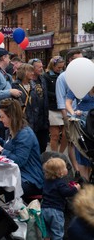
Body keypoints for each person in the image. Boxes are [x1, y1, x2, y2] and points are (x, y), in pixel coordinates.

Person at [0, 98, 44, 200]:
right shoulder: (13, 130)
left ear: (11, 117)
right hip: (18, 174)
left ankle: (12, 211)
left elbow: (19, 160)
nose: (0, 119)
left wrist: (1, 150)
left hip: (30, 179)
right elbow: (12, 147)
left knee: (3, 185)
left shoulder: (25, 134)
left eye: (2, 116)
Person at [56, 50, 84, 178]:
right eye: (78, 59)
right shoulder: (63, 77)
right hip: (70, 114)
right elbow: (61, 99)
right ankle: (77, 169)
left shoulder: (86, 74)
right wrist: (65, 116)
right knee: (72, 142)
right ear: (70, 61)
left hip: (86, 115)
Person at [42, 157, 80, 240]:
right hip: (56, 210)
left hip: (44, 209)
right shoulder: (60, 183)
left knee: (46, 232)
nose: (67, 169)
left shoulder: (46, 181)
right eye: (65, 168)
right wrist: (75, 189)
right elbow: (66, 193)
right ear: (60, 172)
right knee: (57, 233)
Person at [65, 86, 94, 181]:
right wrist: (73, 113)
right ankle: (84, 186)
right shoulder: (80, 84)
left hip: (92, 122)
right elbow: (67, 102)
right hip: (81, 125)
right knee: (82, 153)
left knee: (91, 157)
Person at [43, 55, 67, 153]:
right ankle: (55, 155)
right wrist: (58, 95)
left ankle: (61, 154)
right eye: (58, 67)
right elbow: (46, 91)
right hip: (52, 108)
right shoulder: (46, 75)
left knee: (66, 135)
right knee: (55, 135)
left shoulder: (64, 75)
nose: (60, 69)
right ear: (53, 65)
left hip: (64, 108)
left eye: (62, 67)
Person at [28, 58, 50, 154]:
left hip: (43, 118)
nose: (42, 68)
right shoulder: (27, 81)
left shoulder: (43, 79)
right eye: (39, 67)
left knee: (43, 145)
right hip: (32, 119)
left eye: (42, 66)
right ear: (32, 68)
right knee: (33, 146)